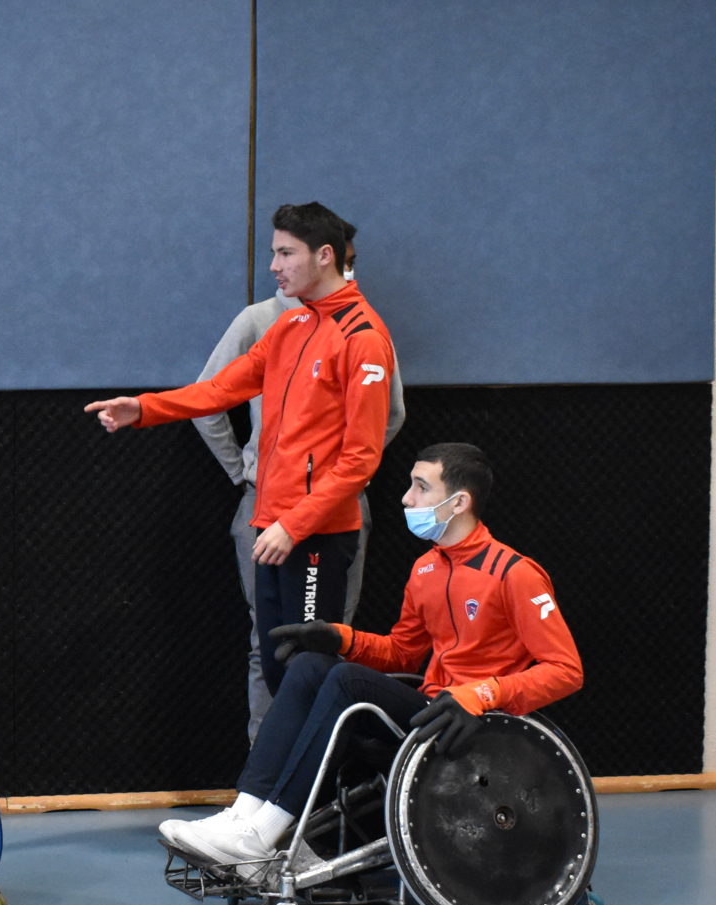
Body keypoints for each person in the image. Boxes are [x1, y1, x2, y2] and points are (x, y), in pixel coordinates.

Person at [161, 444, 582, 869]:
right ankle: (242, 815)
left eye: (421, 487)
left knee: (346, 681)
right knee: (311, 666)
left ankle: (265, 832)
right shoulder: (425, 570)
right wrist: (340, 639)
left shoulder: (515, 573)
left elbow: (565, 671)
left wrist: (483, 694)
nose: (406, 498)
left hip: (477, 722)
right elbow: (403, 650)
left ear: (459, 502)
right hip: (430, 710)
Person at [87, 201, 396, 699]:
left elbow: (361, 459)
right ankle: (278, 776)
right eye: (274, 252)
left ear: (324, 256)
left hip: (314, 535)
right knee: (275, 665)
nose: (273, 265)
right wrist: (142, 408)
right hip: (267, 523)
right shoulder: (292, 326)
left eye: (284, 253)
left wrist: (293, 525)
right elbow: (217, 391)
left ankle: (321, 774)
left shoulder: (363, 338)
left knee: (309, 667)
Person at [190, 233, 403, 740]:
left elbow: (390, 415)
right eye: (281, 254)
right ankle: (264, 784)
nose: (347, 274)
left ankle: (316, 782)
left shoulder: (363, 327)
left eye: (352, 264)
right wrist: (245, 471)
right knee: (270, 646)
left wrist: (344, 469)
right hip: (264, 508)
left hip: (334, 512)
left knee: (327, 642)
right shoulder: (261, 320)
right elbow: (209, 397)